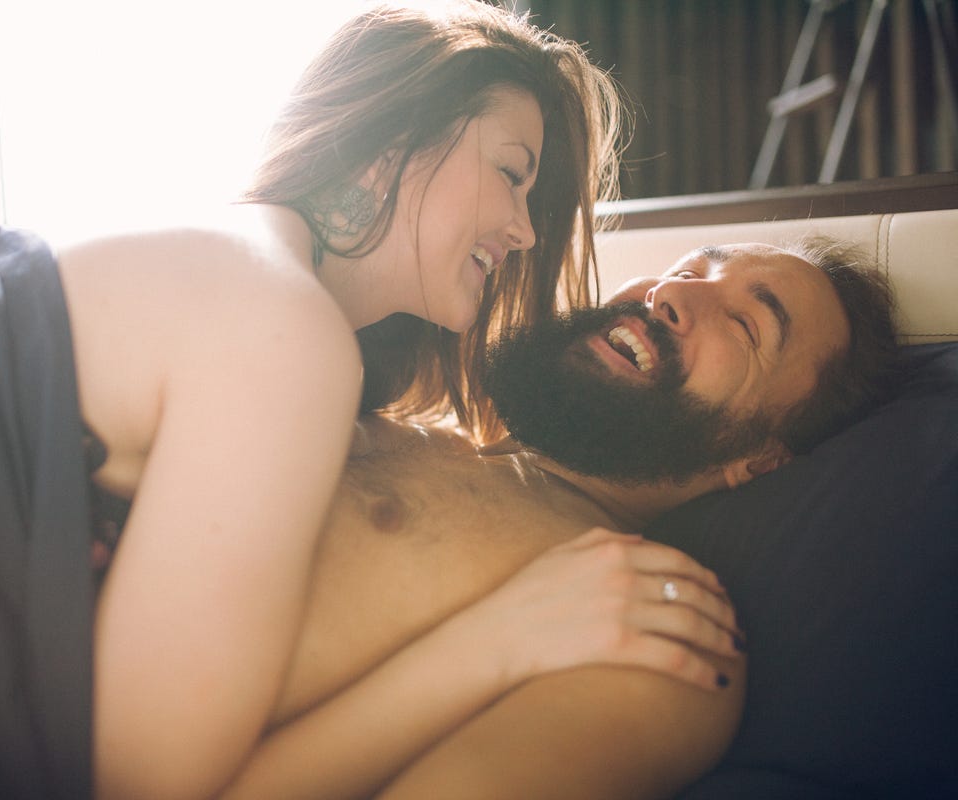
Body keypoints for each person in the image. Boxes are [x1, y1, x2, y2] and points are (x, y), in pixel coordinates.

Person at [0, 3, 653, 800]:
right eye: (512, 172)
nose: (526, 230)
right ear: (397, 142)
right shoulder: (280, 326)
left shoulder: (253, 280)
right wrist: (501, 642)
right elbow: (149, 782)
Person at [214, 238, 898, 799]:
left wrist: (496, 641)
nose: (670, 293)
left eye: (748, 324)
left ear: (759, 460)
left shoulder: (652, 623)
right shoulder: (394, 406)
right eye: (687, 269)